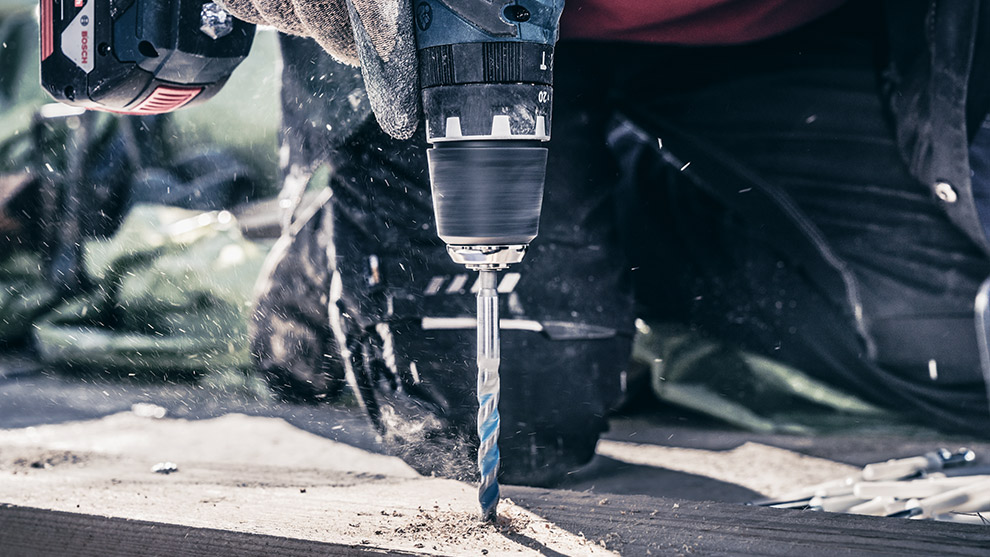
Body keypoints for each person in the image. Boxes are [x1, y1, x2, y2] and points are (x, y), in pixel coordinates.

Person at [223, 0, 990, 485]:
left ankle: (601, 194)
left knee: (959, 339)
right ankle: (349, 229)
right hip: (443, 40)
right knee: (517, 422)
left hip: (779, 30)